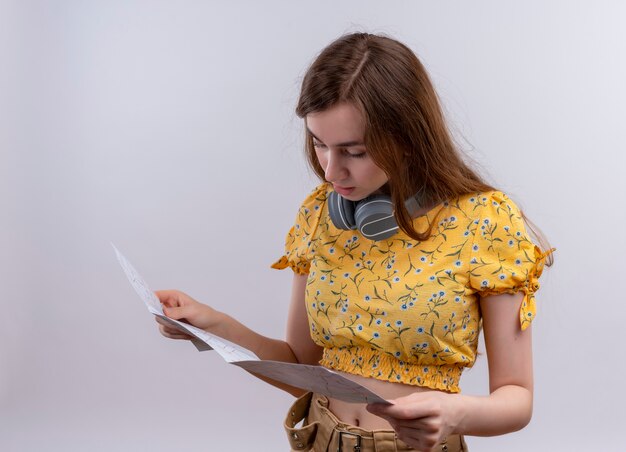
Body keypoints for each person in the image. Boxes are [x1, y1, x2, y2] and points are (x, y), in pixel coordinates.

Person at [155, 32, 554, 452]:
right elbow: (301, 366)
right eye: (319, 144)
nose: (330, 171)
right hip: (320, 439)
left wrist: (456, 413)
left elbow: (516, 398)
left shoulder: (485, 221)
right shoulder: (319, 215)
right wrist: (212, 325)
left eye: (355, 151)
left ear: (407, 136)